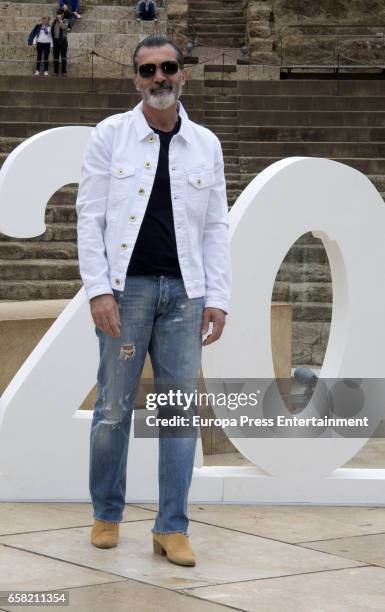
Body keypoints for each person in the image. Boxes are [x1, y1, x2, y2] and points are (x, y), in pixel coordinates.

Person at [76, 34, 231, 567]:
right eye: (149, 70)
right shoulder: (109, 136)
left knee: (180, 414)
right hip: (127, 290)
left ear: (183, 74)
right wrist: (98, 290)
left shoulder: (206, 145)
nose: (159, 77)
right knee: (113, 409)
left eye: (169, 67)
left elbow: (215, 226)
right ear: (136, 79)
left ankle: (172, 527)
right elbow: (89, 218)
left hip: (186, 294)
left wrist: (219, 297)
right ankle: (106, 513)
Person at [51, 9, 68, 75]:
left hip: (63, 41)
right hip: (56, 41)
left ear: (63, 14)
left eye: (60, 14)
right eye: (58, 14)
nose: (59, 15)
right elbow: (52, 29)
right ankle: (55, 72)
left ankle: (64, 72)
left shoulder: (66, 20)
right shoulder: (55, 21)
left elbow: (64, 27)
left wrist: (60, 21)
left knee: (63, 57)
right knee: (55, 57)